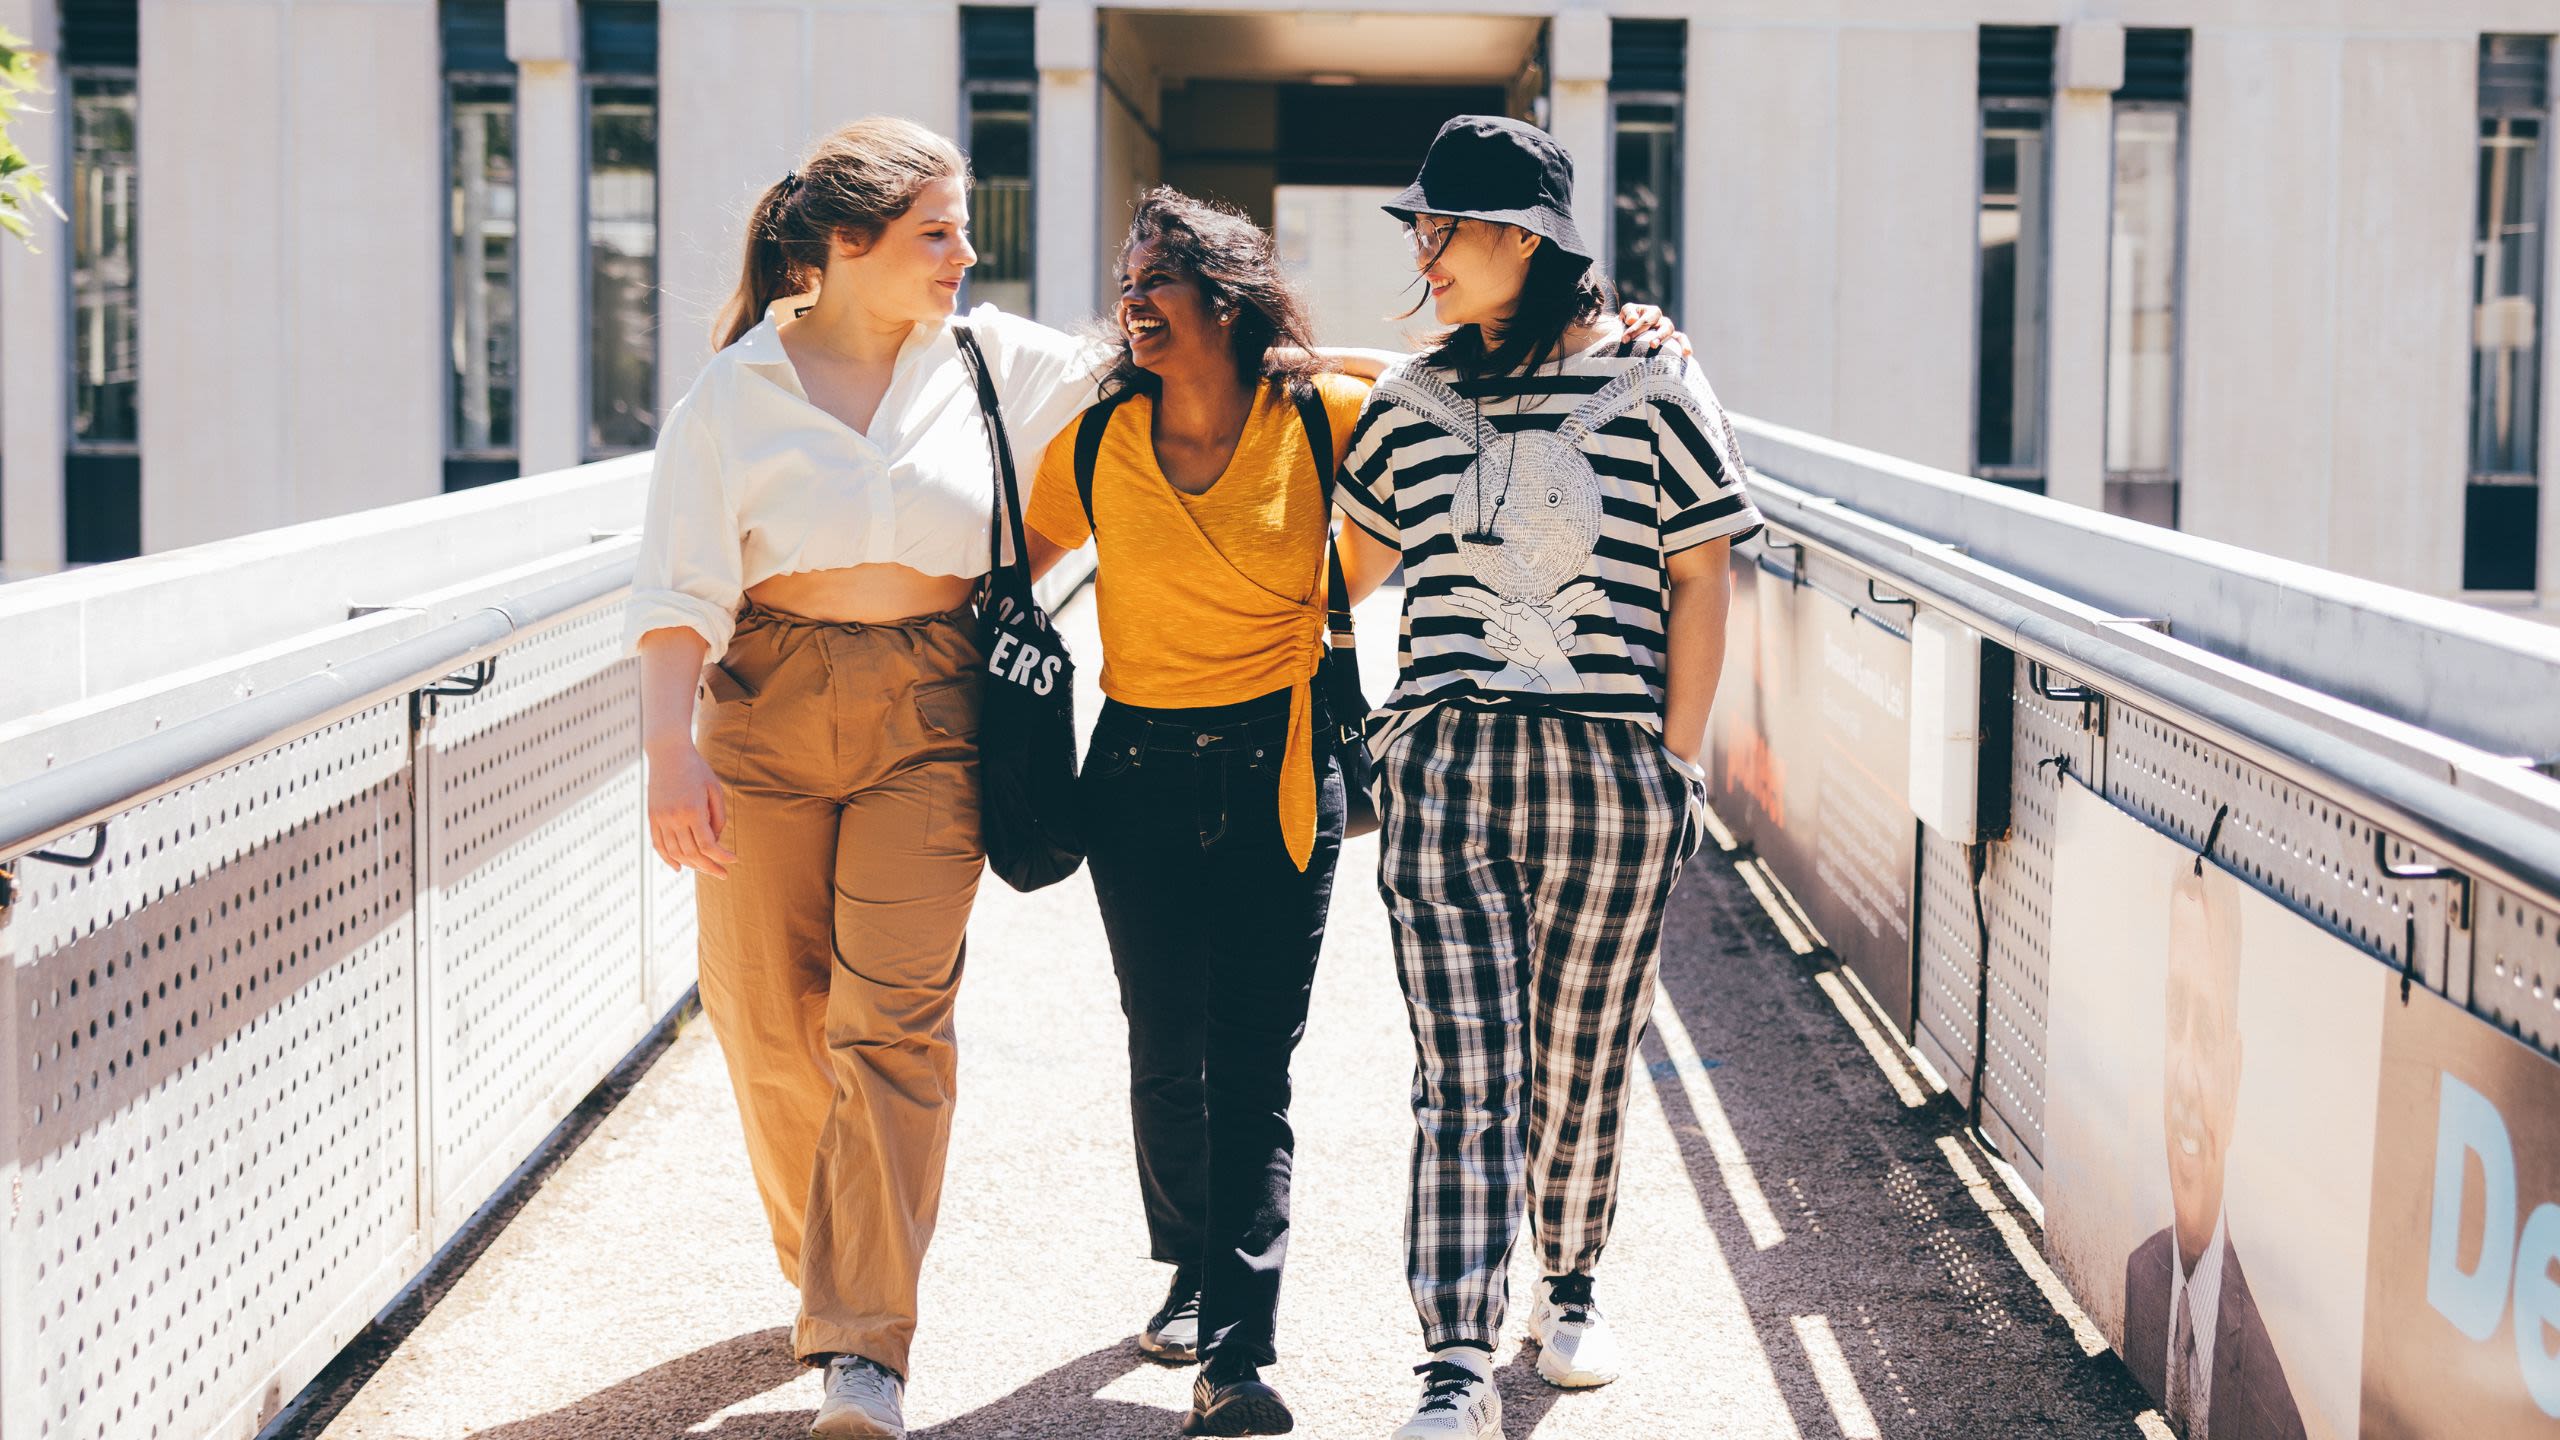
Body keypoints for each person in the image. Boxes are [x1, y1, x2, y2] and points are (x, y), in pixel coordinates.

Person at [626, 117, 1115, 1440]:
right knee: (770, 1019)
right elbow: (677, 588)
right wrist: (669, 751)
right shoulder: (736, 393)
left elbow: (1185, 358)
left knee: (889, 1022)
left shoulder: (991, 359)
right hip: (765, 703)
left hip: (934, 704)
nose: (965, 254)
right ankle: (825, 1264)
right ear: (845, 245)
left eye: (959, 230)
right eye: (935, 234)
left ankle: (864, 1342)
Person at [1329, 115, 1763, 1440]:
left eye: (1441, 227)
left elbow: (1704, 576)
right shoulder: (1409, 403)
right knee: (1461, 1069)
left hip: (1607, 773)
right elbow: (1341, 577)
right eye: (1420, 227)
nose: (1422, 251)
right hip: (1447, 764)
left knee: (1582, 1058)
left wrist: (1674, 767)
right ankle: (1453, 1355)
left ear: (1523, 241)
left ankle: (1567, 1287)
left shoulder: (1656, 392)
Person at [1018, 187, 1371, 1438]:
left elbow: (1450, 407)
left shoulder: (1323, 415)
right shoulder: (1100, 437)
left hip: (1280, 770)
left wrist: (1635, 334)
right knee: (1165, 1047)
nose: (1131, 299)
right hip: (1136, 774)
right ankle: (1187, 1265)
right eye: (1125, 278)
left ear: (1224, 293)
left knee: (1253, 1068)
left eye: (1154, 275)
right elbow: (1007, 564)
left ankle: (1238, 1348)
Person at [2121, 866, 2305, 1439]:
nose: (2183, 1076)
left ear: (2234, 1073)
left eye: (2205, 1037)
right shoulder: (2142, 1273)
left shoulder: (2272, 1405)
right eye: (2176, 1019)